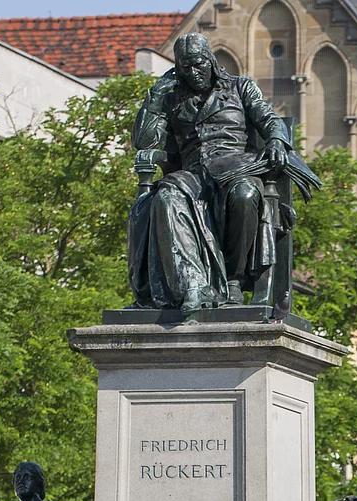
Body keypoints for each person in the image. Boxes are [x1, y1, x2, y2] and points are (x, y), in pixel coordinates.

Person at [126, 33, 318, 309]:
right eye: (186, 67)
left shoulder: (240, 88)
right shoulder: (171, 100)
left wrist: (276, 140)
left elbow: (270, 120)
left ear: (211, 61)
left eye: (199, 64)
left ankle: (233, 280)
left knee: (246, 193)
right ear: (177, 70)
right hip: (193, 174)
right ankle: (193, 284)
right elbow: (144, 142)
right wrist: (155, 96)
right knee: (166, 196)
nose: (194, 72)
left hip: (235, 169)